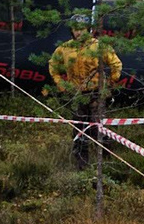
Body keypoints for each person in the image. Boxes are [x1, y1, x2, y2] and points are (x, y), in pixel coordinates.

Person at [48, 21, 122, 162]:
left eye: (82, 28)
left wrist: (110, 84)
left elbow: (116, 64)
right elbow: (53, 65)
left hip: (96, 93)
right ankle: (81, 163)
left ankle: (106, 161)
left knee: (99, 127)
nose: (79, 32)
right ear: (71, 30)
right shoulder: (64, 48)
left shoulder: (99, 46)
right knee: (79, 128)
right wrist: (61, 85)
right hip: (76, 94)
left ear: (88, 29)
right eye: (76, 29)